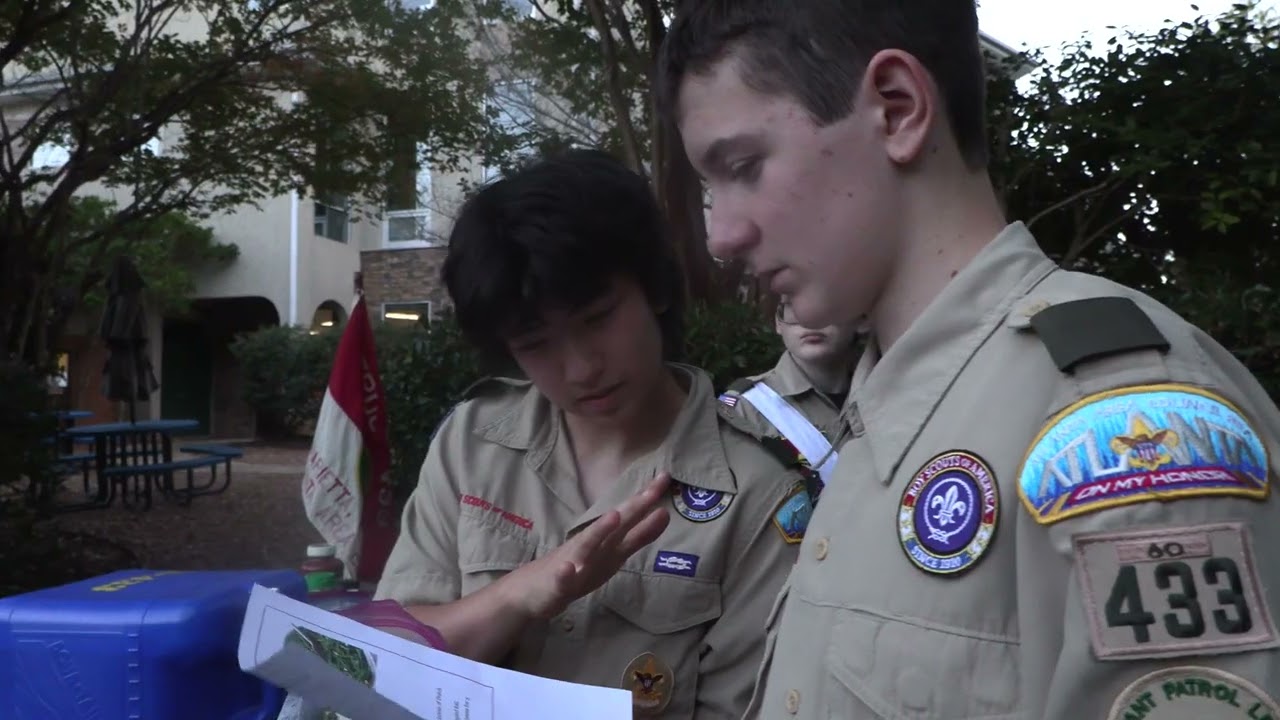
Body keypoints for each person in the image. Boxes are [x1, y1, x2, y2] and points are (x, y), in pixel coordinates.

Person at [657, 2, 1280, 719]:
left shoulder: (1125, 423)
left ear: (896, 109)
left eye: (744, 166)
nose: (722, 238)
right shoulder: (890, 404)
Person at [374, 149, 807, 719]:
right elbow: (386, 660)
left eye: (598, 318)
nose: (580, 369)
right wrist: (518, 594)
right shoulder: (473, 444)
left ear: (653, 288)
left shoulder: (756, 493)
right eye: (535, 344)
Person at [720, 302, 862, 492]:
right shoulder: (742, 409)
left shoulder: (886, 395)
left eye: (826, 300)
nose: (809, 318)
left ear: (861, 319)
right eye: (793, 303)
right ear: (778, 322)